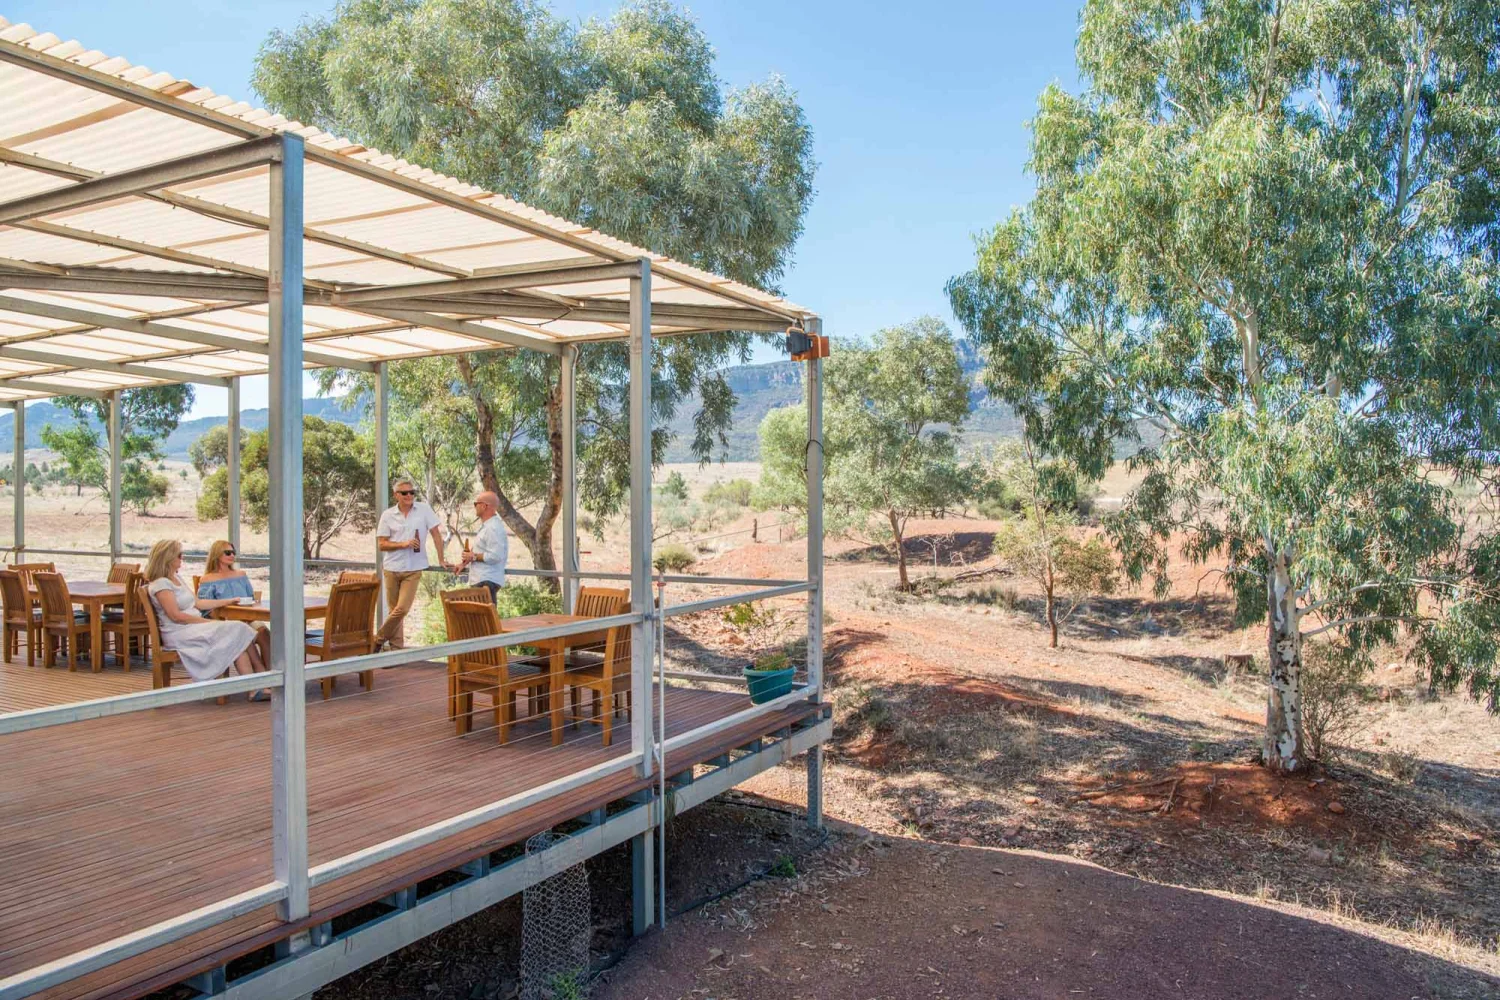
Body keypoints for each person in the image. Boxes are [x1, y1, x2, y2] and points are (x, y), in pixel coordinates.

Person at [144, 539, 270, 698]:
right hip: (180, 632)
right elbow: (176, 616)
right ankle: (259, 677)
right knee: (238, 628)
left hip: (193, 626)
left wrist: (228, 601)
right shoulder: (161, 584)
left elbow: (198, 603)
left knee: (237, 636)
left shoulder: (176, 578)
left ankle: (255, 687)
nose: (182, 558)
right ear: (168, 558)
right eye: (179, 555)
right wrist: (209, 622)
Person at [375, 478, 448, 650]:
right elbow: (382, 544)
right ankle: (396, 651)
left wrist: (441, 559)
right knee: (395, 612)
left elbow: (436, 534)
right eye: (404, 493)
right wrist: (404, 544)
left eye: (412, 492)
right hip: (391, 568)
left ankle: (377, 639)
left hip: (413, 569)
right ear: (396, 495)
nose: (409, 495)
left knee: (402, 609)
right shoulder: (387, 515)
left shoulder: (423, 510)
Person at [460, 491, 508, 600]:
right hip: (481, 580)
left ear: (484, 506)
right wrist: (463, 564)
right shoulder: (487, 526)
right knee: (477, 616)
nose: (475, 507)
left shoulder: (493, 528)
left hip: (486, 581)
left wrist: (474, 556)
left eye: (475, 504)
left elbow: (495, 555)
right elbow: (479, 550)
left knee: (484, 616)